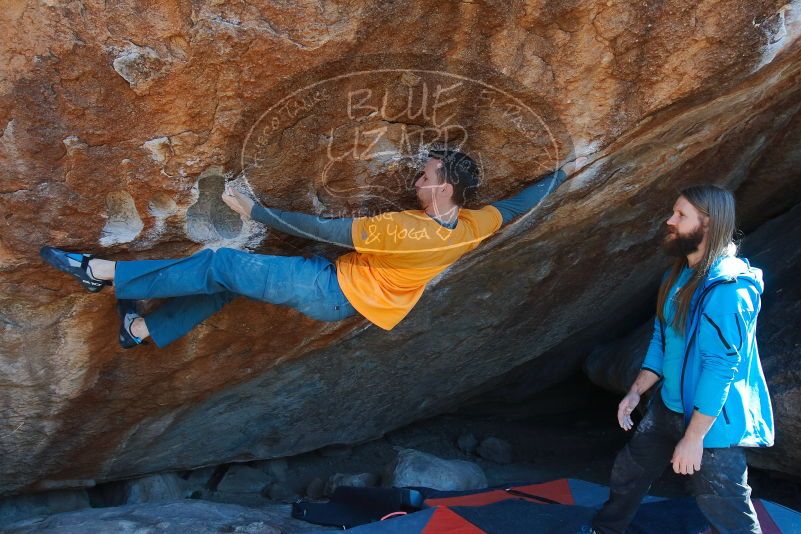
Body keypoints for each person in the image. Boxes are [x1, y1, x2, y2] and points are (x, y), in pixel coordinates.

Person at [41, 149, 585, 349]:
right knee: (232, 284)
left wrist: (255, 212)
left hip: (330, 286)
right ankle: (141, 330)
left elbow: (322, 230)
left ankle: (102, 272)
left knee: (221, 262)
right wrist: (560, 174)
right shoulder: (475, 222)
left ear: (442, 188)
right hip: (346, 292)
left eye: (425, 176)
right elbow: (518, 205)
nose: (416, 180)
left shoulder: (403, 229)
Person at [589, 185, 774, 534]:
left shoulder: (730, 290)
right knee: (628, 473)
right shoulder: (677, 275)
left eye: (680, 215)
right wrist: (636, 391)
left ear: (707, 224)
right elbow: (663, 338)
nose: (669, 220)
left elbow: (721, 368)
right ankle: (604, 530)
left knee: (726, 508)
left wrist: (693, 438)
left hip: (711, 425)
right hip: (667, 408)